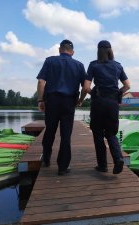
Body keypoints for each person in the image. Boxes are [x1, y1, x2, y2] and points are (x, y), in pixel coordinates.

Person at [79, 40, 130, 174]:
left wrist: (90, 93)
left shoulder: (93, 65)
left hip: (98, 103)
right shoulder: (118, 66)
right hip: (113, 104)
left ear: (98, 51)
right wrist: (118, 92)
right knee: (111, 134)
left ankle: (103, 165)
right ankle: (118, 158)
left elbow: (86, 87)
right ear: (110, 50)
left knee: (98, 134)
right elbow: (127, 86)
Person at [37, 39, 87, 176]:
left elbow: (41, 81)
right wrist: (80, 100)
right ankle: (63, 167)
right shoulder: (79, 65)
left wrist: (41, 100)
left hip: (52, 101)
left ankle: (46, 159)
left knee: (50, 131)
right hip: (69, 102)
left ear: (60, 49)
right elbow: (86, 87)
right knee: (66, 135)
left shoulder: (50, 61)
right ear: (72, 52)